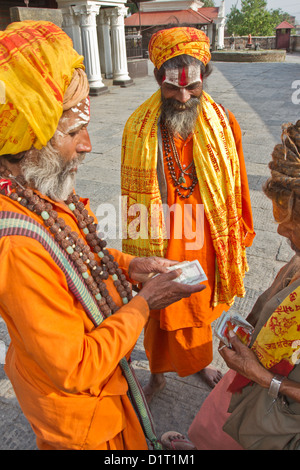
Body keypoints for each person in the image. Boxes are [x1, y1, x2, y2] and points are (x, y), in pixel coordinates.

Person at [0, 21, 206, 451]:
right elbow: (77, 368)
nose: (89, 145)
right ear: (27, 138)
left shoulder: (33, 187)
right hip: (80, 416)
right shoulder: (16, 248)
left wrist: (130, 265)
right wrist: (144, 304)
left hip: (103, 388)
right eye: (74, 132)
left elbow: (68, 250)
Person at [121, 26, 255, 401]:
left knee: (200, 306)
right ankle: (159, 377)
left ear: (205, 78)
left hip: (208, 235)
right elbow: (132, 198)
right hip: (162, 235)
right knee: (160, 313)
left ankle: (199, 363)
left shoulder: (224, 122)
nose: (182, 97)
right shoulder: (138, 127)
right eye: (171, 88)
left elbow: (240, 182)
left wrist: (241, 230)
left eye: (192, 87)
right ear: (158, 80)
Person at [162, 120, 300, 450]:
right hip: (248, 382)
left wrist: (262, 377)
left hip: (279, 415)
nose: (281, 231)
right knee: (215, 426)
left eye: (294, 222)